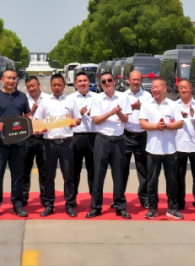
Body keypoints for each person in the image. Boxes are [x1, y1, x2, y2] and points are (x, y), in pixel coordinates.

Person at [0, 68, 31, 218]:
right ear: (2, 80)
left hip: (18, 141)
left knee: (18, 174)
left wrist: (29, 122)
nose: (11, 81)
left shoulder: (22, 97)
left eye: (14, 78)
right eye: (8, 78)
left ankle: (17, 204)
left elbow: (28, 115)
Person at [86, 72, 131, 219]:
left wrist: (118, 114)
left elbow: (126, 119)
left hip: (118, 139)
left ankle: (120, 206)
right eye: (103, 81)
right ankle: (96, 207)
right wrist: (111, 112)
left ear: (114, 82)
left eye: (109, 80)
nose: (106, 83)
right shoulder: (97, 98)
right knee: (98, 174)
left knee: (119, 174)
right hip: (102, 139)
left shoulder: (123, 97)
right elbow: (97, 121)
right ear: (101, 83)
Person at [34, 73, 80, 217]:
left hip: (67, 143)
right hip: (49, 144)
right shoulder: (45, 101)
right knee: (48, 176)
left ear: (64, 85)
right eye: (54, 85)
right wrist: (41, 128)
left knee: (69, 176)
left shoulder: (71, 100)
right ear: (51, 85)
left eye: (59, 85)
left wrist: (73, 121)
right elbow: (37, 120)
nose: (57, 87)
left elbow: (78, 120)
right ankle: (49, 204)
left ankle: (70, 204)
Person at [139, 78, 182, 220]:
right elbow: (143, 124)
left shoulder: (173, 105)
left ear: (165, 89)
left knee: (172, 181)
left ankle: (173, 208)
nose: (154, 89)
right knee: (151, 181)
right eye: (153, 87)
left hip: (170, 149)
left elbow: (180, 123)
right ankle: (152, 208)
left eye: (157, 87)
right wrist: (157, 126)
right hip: (152, 149)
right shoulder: (146, 104)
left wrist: (166, 126)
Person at [173, 78, 195, 214]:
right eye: (181, 88)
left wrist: (194, 116)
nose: (184, 90)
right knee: (179, 176)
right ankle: (180, 201)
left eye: (186, 87)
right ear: (178, 89)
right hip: (178, 144)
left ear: (191, 88)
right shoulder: (174, 105)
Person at [119, 70, 150, 210]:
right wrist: (131, 107)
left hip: (143, 136)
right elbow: (118, 114)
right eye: (133, 79)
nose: (136, 82)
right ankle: (120, 198)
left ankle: (144, 198)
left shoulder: (148, 96)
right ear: (128, 80)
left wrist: (141, 106)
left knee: (143, 170)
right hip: (126, 136)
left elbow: (153, 113)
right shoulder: (123, 96)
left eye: (138, 79)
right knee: (122, 169)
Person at [70, 71, 97, 206]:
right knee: (74, 170)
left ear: (89, 82)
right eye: (79, 81)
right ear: (75, 84)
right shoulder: (70, 98)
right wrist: (78, 114)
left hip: (93, 137)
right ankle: (72, 198)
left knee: (93, 170)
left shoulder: (97, 97)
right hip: (75, 137)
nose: (82, 83)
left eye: (85, 81)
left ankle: (94, 199)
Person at [21, 75, 48, 207]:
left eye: (33, 86)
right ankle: (24, 196)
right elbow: (19, 119)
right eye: (28, 87)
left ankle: (44, 196)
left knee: (44, 169)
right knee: (25, 169)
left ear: (39, 85)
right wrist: (30, 112)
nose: (31, 89)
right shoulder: (22, 99)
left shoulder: (48, 99)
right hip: (28, 138)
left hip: (44, 138)